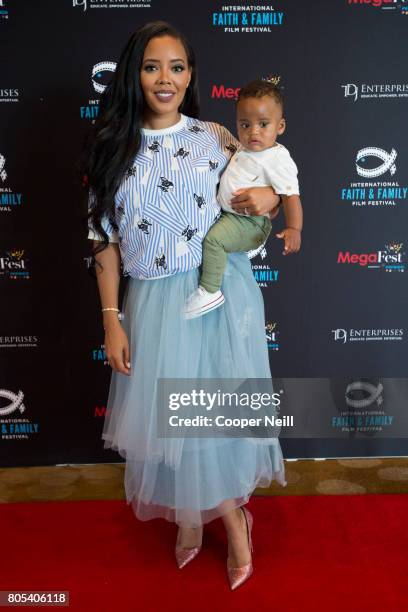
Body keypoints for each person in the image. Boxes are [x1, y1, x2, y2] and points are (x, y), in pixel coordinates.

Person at [82, 20, 287, 591]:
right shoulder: (111, 147)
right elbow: (103, 239)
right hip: (152, 300)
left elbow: (258, 204)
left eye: (176, 67)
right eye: (153, 67)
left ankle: (234, 524)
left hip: (218, 293)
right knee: (175, 425)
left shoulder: (218, 137)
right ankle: (194, 516)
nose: (165, 79)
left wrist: (271, 199)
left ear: (191, 74)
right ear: (135, 74)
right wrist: (111, 320)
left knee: (212, 420)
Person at [183, 78, 303, 319]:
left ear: (280, 127)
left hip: (249, 223)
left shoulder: (277, 159)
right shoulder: (243, 147)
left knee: (214, 241)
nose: (253, 132)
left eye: (263, 124)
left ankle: (209, 291)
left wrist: (293, 228)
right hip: (231, 216)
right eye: (245, 125)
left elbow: (291, 195)